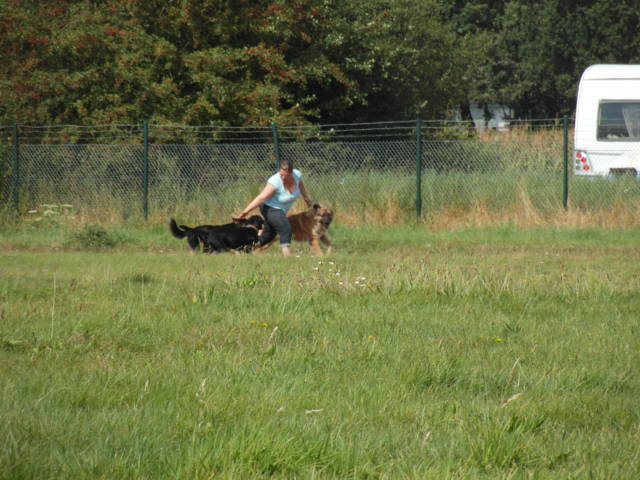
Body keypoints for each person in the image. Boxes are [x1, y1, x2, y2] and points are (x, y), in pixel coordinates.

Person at [234, 160, 312, 256]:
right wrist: (245, 212)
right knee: (285, 227)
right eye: (281, 174)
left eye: (285, 175)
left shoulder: (297, 175)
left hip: (280, 211)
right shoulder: (274, 181)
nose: (282, 177)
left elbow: (301, 188)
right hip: (269, 208)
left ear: (291, 173)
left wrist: (308, 201)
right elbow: (261, 198)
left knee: (268, 236)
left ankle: (241, 248)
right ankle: (288, 258)